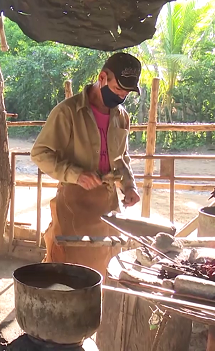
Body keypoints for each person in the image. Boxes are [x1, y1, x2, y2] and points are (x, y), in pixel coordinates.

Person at [30, 52, 142, 279]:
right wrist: (76, 175)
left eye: (126, 94)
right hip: (73, 206)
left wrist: (129, 186)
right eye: (118, 90)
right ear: (102, 78)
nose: (121, 97)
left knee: (105, 271)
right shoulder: (68, 112)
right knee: (68, 276)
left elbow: (122, 158)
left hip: (109, 208)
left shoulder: (121, 116)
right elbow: (40, 154)